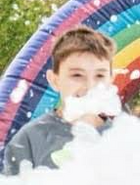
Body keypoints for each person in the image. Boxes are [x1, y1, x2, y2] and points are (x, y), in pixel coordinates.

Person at [2, 26, 117, 175]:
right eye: (77, 75)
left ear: (111, 80)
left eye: (100, 76)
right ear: (54, 80)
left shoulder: (122, 136)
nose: (89, 86)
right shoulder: (30, 139)